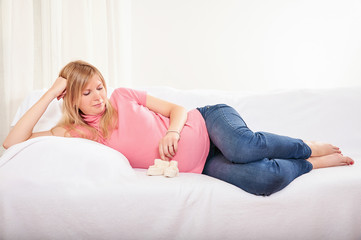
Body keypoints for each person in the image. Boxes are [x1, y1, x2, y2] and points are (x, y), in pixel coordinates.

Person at [3, 60, 354, 196]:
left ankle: (305, 146)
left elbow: (176, 110)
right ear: (71, 99)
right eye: (86, 91)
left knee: (244, 147)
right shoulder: (76, 133)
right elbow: (11, 143)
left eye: (99, 86)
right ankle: (311, 165)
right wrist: (51, 92)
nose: (98, 96)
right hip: (199, 165)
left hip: (208, 122)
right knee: (262, 182)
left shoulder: (124, 97)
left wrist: (172, 132)